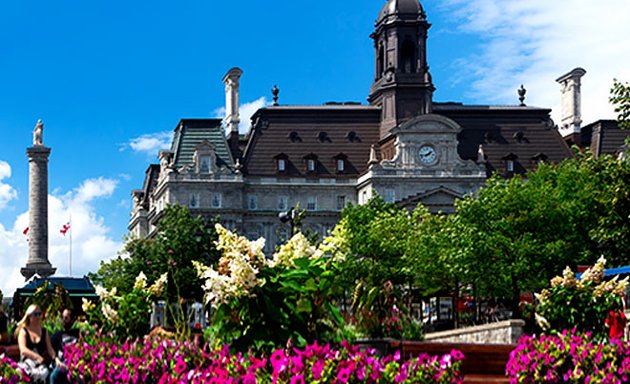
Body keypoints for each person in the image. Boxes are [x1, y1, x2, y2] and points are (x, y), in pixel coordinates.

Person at [16, 304, 60, 383]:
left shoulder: (44, 331)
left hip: (40, 365)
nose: (38, 317)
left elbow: (50, 349)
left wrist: (56, 359)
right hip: (27, 363)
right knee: (21, 373)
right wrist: (36, 357)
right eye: (35, 314)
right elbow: (23, 349)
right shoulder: (24, 331)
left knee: (46, 374)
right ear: (29, 316)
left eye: (39, 314)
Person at [50, 308, 80, 384]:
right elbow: (49, 348)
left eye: (66, 318)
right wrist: (56, 359)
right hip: (62, 363)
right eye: (62, 317)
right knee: (54, 375)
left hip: (76, 363)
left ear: (72, 320)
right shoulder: (58, 335)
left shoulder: (78, 333)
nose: (63, 320)